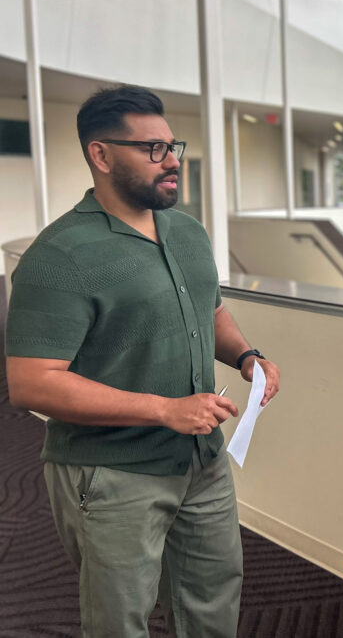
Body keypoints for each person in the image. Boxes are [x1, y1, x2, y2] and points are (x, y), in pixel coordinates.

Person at [5, 85, 281, 638]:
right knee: (120, 621)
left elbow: (211, 309)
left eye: (171, 145)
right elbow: (32, 385)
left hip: (202, 464)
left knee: (213, 600)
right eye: (151, 149)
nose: (172, 159)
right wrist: (163, 410)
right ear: (101, 155)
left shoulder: (187, 232)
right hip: (111, 474)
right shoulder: (58, 257)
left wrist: (247, 356)